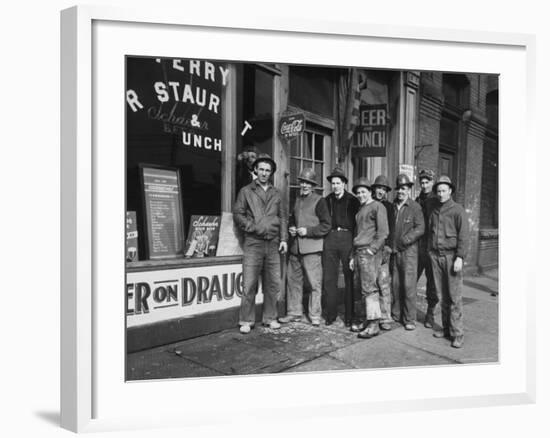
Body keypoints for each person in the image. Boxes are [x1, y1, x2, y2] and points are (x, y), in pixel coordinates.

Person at [233, 153, 288, 334]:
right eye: (261, 169)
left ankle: (270, 318)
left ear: (271, 173)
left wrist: (283, 239)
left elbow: (282, 217)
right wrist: (252, 227)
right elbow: (238, 214)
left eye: (268, 170)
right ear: (255, 170)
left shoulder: (277, 193)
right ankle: (246, 320)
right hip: (253, 243)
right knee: (249, 284)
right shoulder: (246, 191)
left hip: (272, 243)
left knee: (272, 283)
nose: (264, 173)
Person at [279, 168, 331, 326]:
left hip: (312, 249)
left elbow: (326, 225)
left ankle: (315, 315)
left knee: (315, 283)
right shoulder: (297, 199)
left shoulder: (319, 200)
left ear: (313, 185)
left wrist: (308, 231)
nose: (305, 185)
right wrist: (292, 228)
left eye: (308, 183)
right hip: (295, 248)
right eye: (303, 182)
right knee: (293, 281)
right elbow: (293, 219)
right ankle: (294, 312)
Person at [428, 176, 468, 348]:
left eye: (444, 190)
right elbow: (430, 231)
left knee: (454, 297)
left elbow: (464, 236)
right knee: (441, 295)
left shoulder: (458, 210)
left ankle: (457, 333)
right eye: (438, 191)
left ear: (450, 191)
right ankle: (445, 329)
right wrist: (430, 252)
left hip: (452, 257)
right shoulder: (434, 209)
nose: (441, 194)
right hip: (436, 256)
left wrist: (460, 257)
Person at [349, 177, 389, 339]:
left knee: (370, 288)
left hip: (369, 252)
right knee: (360, 288)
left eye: (363, 192)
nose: (360, 195)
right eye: (358, 192)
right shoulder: (360, 210)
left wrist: (372, 250)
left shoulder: (377, 206)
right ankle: (365, 320)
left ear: (370, 192)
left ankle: (374, 324)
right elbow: (358, 234)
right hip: (359, 252)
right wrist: (353, 256)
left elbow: (383, 232)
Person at [323, 167, 360, 327]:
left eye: (338, 183)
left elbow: (357, 223)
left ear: (344, 183)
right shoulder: (327, 200)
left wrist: (354, 245)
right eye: (333, 183)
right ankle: (330, 315)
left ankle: (349, 316)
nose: (336, 186)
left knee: (348, 277)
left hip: (347, 237)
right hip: (331, 237)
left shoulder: (353, 200)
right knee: (329, 277)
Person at [389, 174, 425, 330]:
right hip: (395, 252)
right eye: (399, 189)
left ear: (409, 189)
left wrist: (407, 239)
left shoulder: (415, 207)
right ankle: (397, 315)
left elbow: (421, 228)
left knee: (409, 286)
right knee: (396, 285)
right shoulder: (393, 206)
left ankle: (410, 319)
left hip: (409, 252)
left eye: (404, 188)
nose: (401, 192)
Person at [368, 175, 395, 331]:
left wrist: (388, 247)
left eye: (384, 189)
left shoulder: (389, 207)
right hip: (368, 250)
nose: (381, 191)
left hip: (382, 249)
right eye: (379, 188)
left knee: (383, 283)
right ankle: (372, 316)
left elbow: (391, 229)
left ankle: (385, 317)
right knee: (369, 285)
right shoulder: (367, 204)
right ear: (374, 189)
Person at [415, 168, 439, 328]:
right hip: (417, 247)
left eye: (427, 182)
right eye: (422, 182)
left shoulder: (437, 200)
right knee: (411, 279)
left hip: (431, 247)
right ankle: (407, 310)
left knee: (432, 283)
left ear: (432, 182)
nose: (424, 185)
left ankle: (430, 313)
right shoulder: (417, 201)